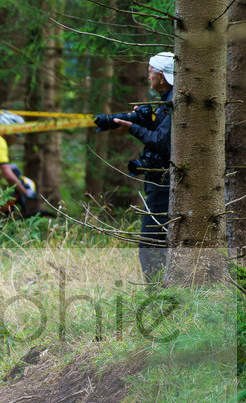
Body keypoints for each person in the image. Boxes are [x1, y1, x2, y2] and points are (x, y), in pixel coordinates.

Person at [94, 51, 174, 282]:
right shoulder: (167, 101)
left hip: (163, 185)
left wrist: (132, 128)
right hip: (160, 183)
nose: (147, 76)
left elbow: (162, 142)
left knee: (150, 244)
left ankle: (157, 296)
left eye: (150, 71)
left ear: (161, 75)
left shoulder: (173, 102)